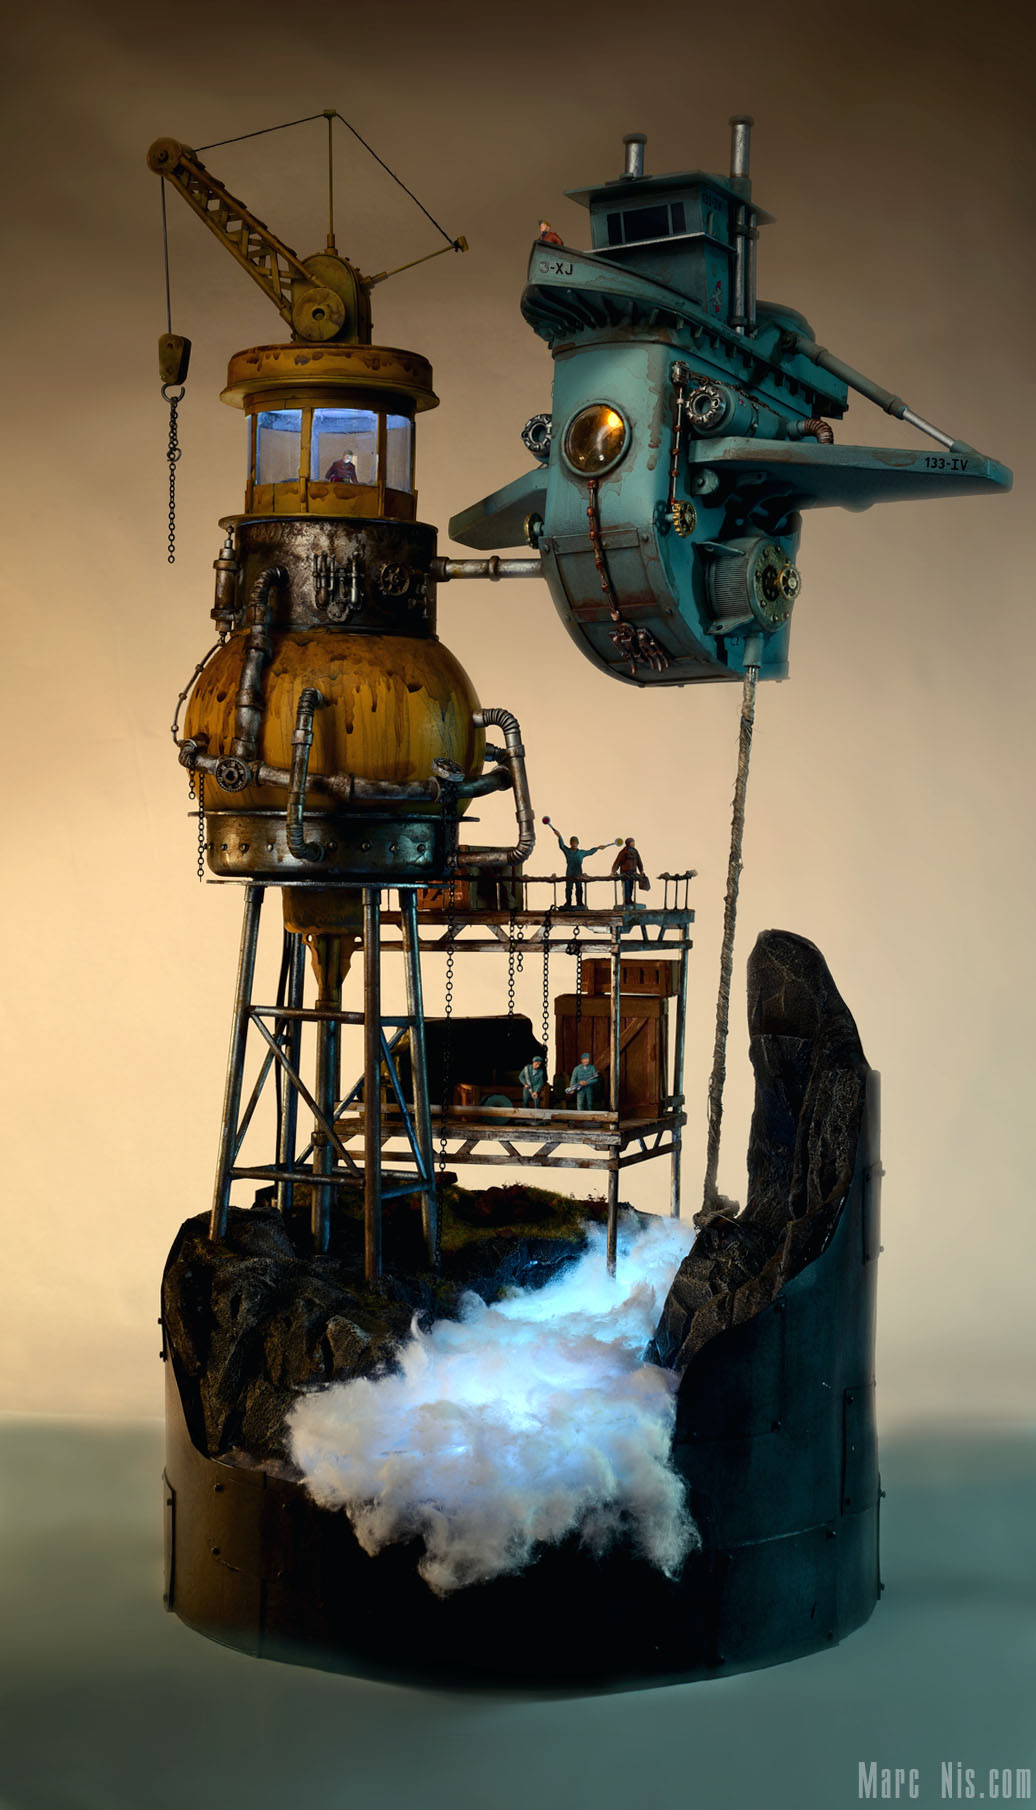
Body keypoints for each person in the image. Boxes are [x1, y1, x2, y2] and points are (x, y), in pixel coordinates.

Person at [543, 816, 616, 909]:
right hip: (569, 872)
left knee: (579, 888)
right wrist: (559, 836)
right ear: (570, 843)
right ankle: (568, 902)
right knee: (568, 888)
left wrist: (598, 848)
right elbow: (561, 846)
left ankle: (580, 902)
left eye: (575, 842)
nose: (574, 844)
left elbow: (590, 852)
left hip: (578, 873)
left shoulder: (581, 853)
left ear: (578, 843)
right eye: (572, 842)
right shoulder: (567, 851)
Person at [611, 836, 645, 908]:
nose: (633, 843)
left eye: (633, 842)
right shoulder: (623, 852)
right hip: (625, 873)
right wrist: (613, 871)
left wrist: (641, 870)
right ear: (628, 843)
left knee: (631, 887)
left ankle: (630, 899)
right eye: (632, 842)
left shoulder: (635, 851)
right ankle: (626, 900)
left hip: (633, 873)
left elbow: (639, 861)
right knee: (626, 887)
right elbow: (617, 862)